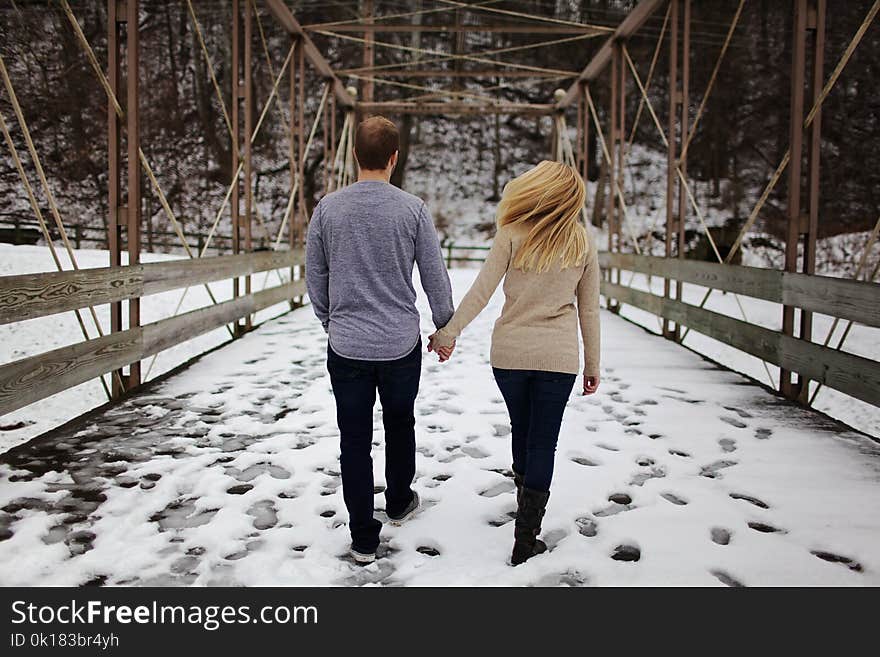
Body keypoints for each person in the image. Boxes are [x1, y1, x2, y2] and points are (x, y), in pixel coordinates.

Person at [428, 160, 601, 566]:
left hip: (509, 355)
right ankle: (527, 537)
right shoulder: (580, 241)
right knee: (543, 441)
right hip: (558, 358)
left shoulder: (512, 233)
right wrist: (593, 364)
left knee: (522, 430)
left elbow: (482, 291)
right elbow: (589, 309)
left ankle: (524, 509)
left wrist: (447, 333)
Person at [305, 116, 454, 564]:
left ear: (354, 156)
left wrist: (331, 320)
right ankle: (398, 500)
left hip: (347, 344)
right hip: (399, 344)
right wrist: (444, 326)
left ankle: (363, 537)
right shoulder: (413, 209)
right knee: (399, 423)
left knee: (353, 439)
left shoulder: (328, 209)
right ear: (394, 158)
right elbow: (434, 275)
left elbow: (315, 273)